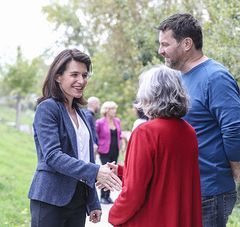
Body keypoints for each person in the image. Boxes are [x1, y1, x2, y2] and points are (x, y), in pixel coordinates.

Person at [156, 13, 240, 227]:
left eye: (165, 44)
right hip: (184, 188)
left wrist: (236, 168)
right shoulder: (178, 78)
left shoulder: (215, 77)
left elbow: (234, 128)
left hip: (209, 191)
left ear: (186, 44)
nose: (160, 51)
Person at [28, 48, 121, 227]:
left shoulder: (83, 115)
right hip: (50, 200)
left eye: (84, 75)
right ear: (58, 76)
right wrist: (96, 171)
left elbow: (85, 157)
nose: (81, 81)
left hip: (78, 201)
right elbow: (53, 156)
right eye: (74, 74)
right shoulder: (47, 108)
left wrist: (93, 200)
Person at [108, 65, 202, 227]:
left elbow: (134, 193)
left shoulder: (145, 133)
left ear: (149, 96)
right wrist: (122, 171)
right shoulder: (189, 131)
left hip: (152, 219)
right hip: (180, 219)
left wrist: (114, 214)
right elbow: (169, 175)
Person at [96, 101, 122, 204]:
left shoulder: (117, 121)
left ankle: (108, 196)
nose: (114, 111)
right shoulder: (100, 122)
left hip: (115, 150)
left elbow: (119, 135)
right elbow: (95, 135)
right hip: (104, 151)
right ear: (107, 110)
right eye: (112, 109)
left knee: (112, 173)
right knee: (106, 172)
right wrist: (97, 146)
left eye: (115, 109)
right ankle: (103, 196)